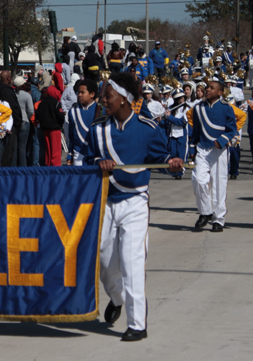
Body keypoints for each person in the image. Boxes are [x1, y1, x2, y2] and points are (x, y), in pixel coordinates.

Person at [84, 72, 184, 341]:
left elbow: (160, 156)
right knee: (105, 264)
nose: (104, 100)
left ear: (126, 99)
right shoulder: (97, 129)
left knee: (132, 262)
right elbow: (86, 160)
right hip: (106, 202)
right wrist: (97, 162)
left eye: (109, 96)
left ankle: (137, 324)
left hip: (135, 202)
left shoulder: (147, 128)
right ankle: (116, 298)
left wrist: (172, 162)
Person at [190, 78, 237, 232]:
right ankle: (205, 212)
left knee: (218, 184)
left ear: (220, 92)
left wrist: (222, 141)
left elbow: (231, 130)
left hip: (219, 151)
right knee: (199, 180)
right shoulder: (198, 108)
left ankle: (218, 219)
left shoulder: (226, 108)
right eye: (207, 87)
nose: (207, 90)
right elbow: (196, 130)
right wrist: (192, 148)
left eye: (211, 88)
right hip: (203, 149)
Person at [65, 79, 97, 166]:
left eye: (83, 92)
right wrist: (69, 154)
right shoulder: (73, 111)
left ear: (92, 94)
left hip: (96, 154)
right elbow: (71, 135)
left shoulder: (100, 110)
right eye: (79, 92)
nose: (79, 95)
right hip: (78, 154)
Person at [0, 71, 22, 166]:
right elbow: (14, 108)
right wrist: (18, 122)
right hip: (8, 124)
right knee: (10, 150)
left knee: (0, 151)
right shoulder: (7, 91)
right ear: (8, 78)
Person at [36, 87, 66, 166]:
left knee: (48, 150)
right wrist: (59, 124)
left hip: (45, 129)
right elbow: (60, 116)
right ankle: (55, 167)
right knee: (56, 150)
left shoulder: (42, 103)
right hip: (55, 129)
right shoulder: (56, 102)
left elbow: (37, 115)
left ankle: (48, 165)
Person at [165, 88, 189, 180]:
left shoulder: (186, 108)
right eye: (178, 98)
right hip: (172, 134)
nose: (181, 100)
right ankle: (175, 171)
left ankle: (180, 171)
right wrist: (163, 118)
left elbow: (182, 122)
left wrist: (169, 117)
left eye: (182, 98)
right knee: (173, 153)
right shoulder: (171, 108)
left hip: (181, 135)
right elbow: (167, 123)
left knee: (181, 154)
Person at [14, 76, 34, 167]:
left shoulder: (13, 95)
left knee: (15, 146)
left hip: (14, 121)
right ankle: (23, 166)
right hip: (24, 121)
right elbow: (31, 111)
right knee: (22, 147)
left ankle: (15, 165)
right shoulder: (27, 95)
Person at [226, 95, 247, 180]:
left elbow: (243, 116)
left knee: (234, 153)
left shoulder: (236, 111)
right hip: (225, 134)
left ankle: (234, 171)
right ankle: (226, 171)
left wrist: (236, 128)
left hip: (234, 135)